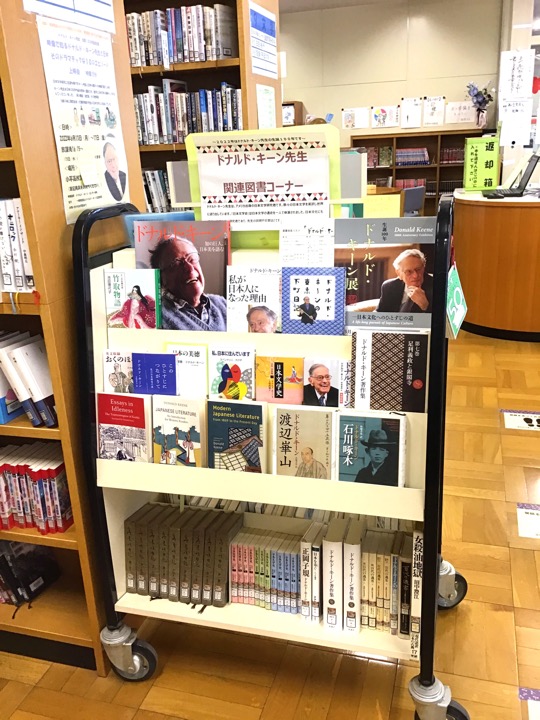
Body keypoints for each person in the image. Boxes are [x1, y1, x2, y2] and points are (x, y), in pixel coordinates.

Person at [149, 236, 227, 331]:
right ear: (161, 279)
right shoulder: (157, 316)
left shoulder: (222, 303)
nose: (190, 268)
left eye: (192, 259)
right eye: (176, 263)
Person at [376, 249, 433, 313]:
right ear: (398, 273)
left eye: (418, 269)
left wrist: (425, 306)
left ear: (424, 267)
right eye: (409, 271)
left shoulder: (436, 286)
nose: (415, 275)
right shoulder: (389, 286)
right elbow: (379, 312)